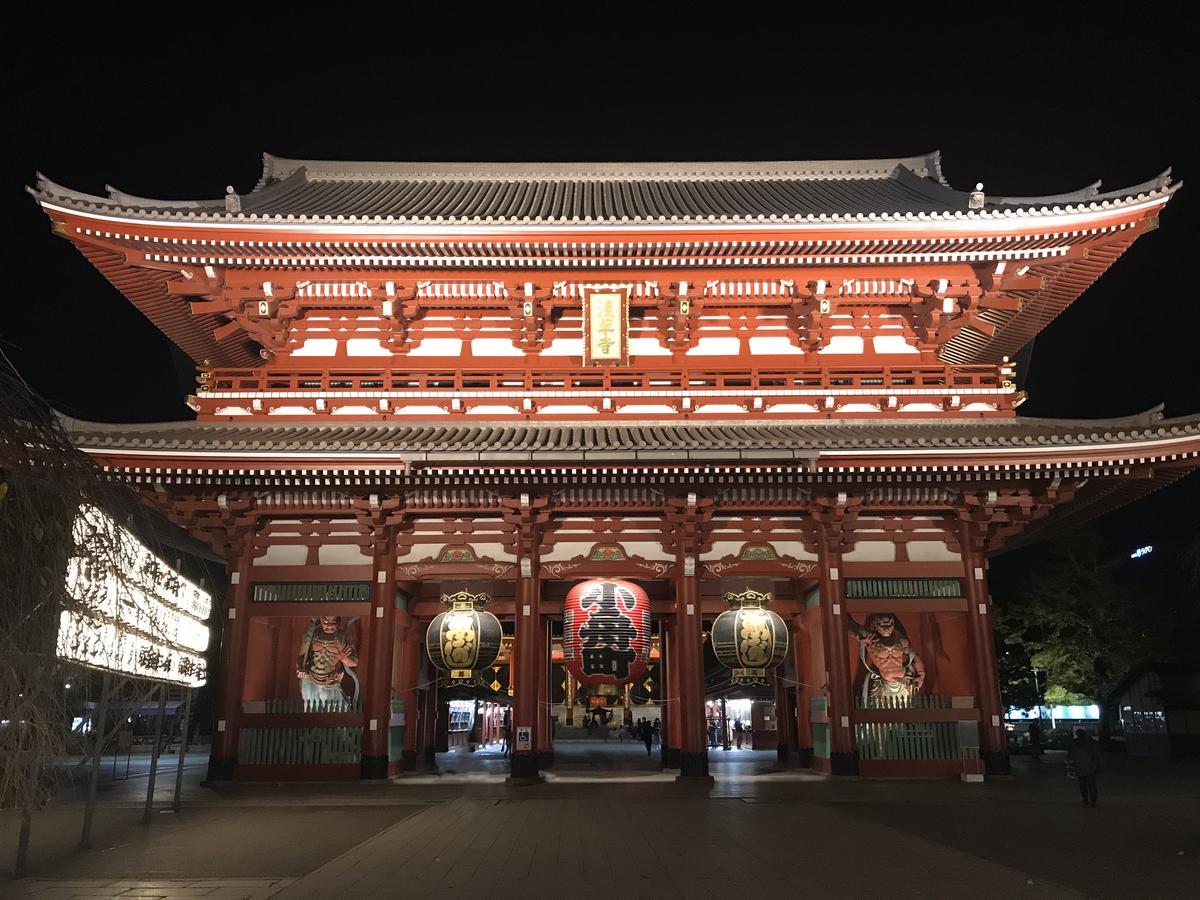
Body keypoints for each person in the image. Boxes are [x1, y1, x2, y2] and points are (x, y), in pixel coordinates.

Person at [296, 616, 358, 709]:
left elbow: (354, 662)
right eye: (325, 622)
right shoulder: (313, 633)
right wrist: (300, 668)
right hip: (310, 677)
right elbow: (302, 655)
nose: (329, 625)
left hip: (330, 679)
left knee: (333, 710)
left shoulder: (343, 636)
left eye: (333, 622)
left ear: (338, 620)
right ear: (320, 620)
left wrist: (344, 659)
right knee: (310, 708)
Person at [1068, 728, 1101, 807]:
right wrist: (1098, 765)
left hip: (1080, 766)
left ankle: (1085, 799)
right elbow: (1096, 755)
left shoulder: (1074, 743)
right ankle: (1093, 801)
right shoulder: (1091, 743)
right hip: (1090, 766)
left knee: (1083, 784)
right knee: (1092, 785)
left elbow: (1071, 755)